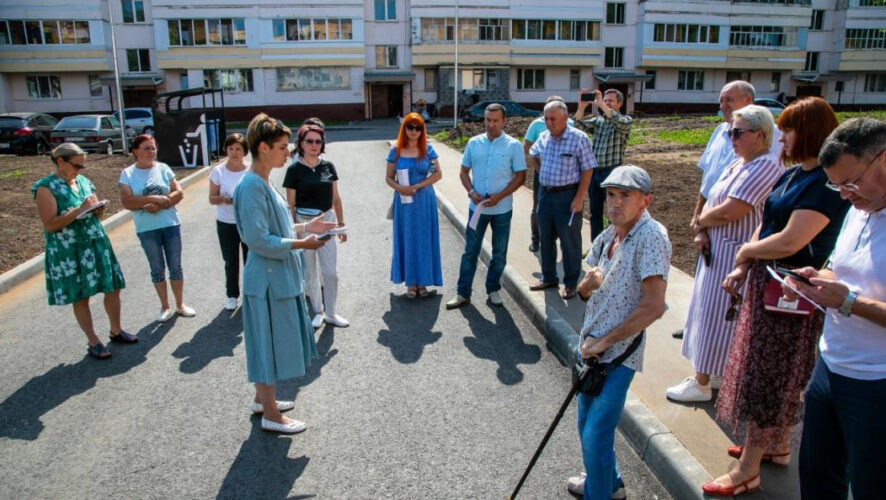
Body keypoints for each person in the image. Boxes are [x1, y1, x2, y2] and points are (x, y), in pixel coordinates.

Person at [704, 97, 849, 496]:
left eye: (787, 128)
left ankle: (747, 469)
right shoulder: (793, 174)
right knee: (773, 374)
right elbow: (768, 223)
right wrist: (743, 262)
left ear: (811, 133)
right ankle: (778, 447)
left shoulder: (823, 183)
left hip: (791, 294)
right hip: (769, 286)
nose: (780, 137)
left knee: (768, 379)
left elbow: (790, 241)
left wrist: (746, 254)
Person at [789, 118, 886, 500]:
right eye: (837, 185)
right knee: (817, 476)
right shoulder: (860, 208)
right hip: (831, 367)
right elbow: (842, 269)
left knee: (871, 485)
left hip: (876, 382)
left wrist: (847, 302)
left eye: (851, 182)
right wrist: (820, 277)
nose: (844, 194)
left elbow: (852, 295)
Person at [565, 165, 670, 500]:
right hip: (591, 350)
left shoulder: (651, 237)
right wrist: (585, 285)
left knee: (596, 433)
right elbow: (583, 291)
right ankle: (609, 484)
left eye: (626, 195)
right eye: (611, 194)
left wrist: (605, 342)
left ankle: (599, 492)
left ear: (646, 200)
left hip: (618, 356)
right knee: (587, 427)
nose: (615, 203)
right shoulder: (608, 235)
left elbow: (654, 306)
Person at [666, 105, 783, 402]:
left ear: (760, 134)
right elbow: (711, 197)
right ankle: (713, 375)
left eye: (737, 132)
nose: (731, 137)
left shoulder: (765, 166)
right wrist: (702, 229)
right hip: (715, 251)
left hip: (733, 254)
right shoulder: (739, 162)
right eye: (730, 132)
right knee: (706, 316)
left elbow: (733, 210)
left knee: (719, 320)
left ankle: (702, 382)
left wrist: (700, 222)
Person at [233, 113, 335, 434]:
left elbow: (276, 227)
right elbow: (258, 239)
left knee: (271, 342)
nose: (287, 153)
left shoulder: (264, 182)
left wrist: (307, 226)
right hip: (265, 281)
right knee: (266, 344)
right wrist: (301, 243)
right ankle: (272, 415)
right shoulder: (251, 186)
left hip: (274, 278)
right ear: (262, 148)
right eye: (281, 147)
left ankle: (264, 401)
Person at [672, 80, 780, 340]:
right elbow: (708, 179)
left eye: (729, 100)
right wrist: (698, 216)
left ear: (748, 100)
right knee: (703, 283)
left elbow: (734, 208)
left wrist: (703, 222)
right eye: (721, 100)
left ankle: (710, 353)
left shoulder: (768, 142)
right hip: (710, 222)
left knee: (724, 300)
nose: (723, 106)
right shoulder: (721, 132)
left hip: (733, 234)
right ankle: (694, 327)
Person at [33, 143, 134, 359]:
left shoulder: (83, 181)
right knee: (81, 296)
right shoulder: (46, 187)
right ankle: (93, 340)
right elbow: (50, 224)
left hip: (95, 241)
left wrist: (97, 210)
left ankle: (116, 330)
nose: (79, 170)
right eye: (76, 166)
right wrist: (80, 210)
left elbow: (93, 213)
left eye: (82, 167)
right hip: (70, 250)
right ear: (60, 161)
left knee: (112, 286)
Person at [445, 103, 526, 310]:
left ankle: (493, 290)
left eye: (495, 120)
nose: (491, 124)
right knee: (470, 251)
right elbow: (463, 171)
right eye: (488, 120)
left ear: (504, 121)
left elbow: (520, 177)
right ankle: (463, 293)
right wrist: (471, 191)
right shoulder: (474, 143)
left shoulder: (513, 146)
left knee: (499, 253)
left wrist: (500, 196)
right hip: (477, 209)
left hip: (502, 210)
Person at [119, 134, 196, 322]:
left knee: (176, 266)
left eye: (153, 148)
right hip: (147, 228)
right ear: (135, 151)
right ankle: (165, 306)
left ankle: (180, 304)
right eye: (146, 148)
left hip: (170, 225)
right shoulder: (127, 174)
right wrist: (152, 199)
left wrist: (161, 204)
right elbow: (127, 201)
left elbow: (179, 192)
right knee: (157, 268)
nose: (151, 152)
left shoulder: (163, 168)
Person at [528, 100, 596, 299]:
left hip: (568, 197)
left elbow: (588, 168)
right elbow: (533, 155)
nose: (549, 123)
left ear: (566, 118)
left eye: (553, 119)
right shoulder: (543, 137)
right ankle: (549, 277)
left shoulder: (578, 139)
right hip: (546, 195)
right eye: (546, 119)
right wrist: (543, 174)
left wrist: (580, 196)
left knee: (569, 242)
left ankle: (571, 283)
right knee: (546, 238)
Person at [283, 124, 349, 328]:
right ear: (301, 144)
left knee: (330, 272)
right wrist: (295, 230)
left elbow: (336, 198)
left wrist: (341, 224)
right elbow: (291, 205)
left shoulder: (328, 166)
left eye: (318, 141)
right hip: (305, 223)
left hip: (327, 221)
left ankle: (331, 312)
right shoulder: (294, 170)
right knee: (310, 271)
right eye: (309, 141)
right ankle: (318, 311)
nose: (314, 145)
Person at [385, 112, 443, 298]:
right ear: (404, 128)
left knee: (424, 238)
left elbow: (437, 174)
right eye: (410, 127)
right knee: (408, 238)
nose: (414, 131)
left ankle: (423, 281)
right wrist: (401, 188)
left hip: (424, 199)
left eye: (418, 127)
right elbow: (388, 178)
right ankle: (410, 282)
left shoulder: (428, 150)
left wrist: (418, 185)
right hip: (404, 202)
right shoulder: (395, 151)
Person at [574, 88, 633, 241]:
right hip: (595, 173)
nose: (606, 103)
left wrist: (600, 105)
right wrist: (581, 107)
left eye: (610, 101)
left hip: (612, 173)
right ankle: (596, 245)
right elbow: (576, 126)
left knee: (614, 212)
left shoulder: (625, 120)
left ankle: (613, 245)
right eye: (604, 100)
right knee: (595, 212)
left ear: (620, 103)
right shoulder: (598, 121)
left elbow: (618, 121)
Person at [523, 95, 574, 253]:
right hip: (543, 175)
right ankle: (536, 239)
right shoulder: (537, 125)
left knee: (563, 210)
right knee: (538, 207)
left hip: (565, 179)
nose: (550, 121)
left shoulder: (571, 125)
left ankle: (560, 241)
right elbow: (528, 147)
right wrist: (540, 169)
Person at [209, 133, 250, 311]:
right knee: (230, 260)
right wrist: (223, 199)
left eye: (238, 149)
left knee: (251, 259)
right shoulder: (218, 171)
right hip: (226, 222)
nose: (234, 153)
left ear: (244, 151)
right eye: (231, 148)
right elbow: (212, 198)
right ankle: (232, 295)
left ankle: (250, 294)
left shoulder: (251, 170)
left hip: (247, 222)